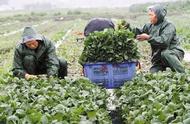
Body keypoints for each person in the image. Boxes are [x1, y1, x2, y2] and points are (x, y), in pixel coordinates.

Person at [134, 4, 185, 73]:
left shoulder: (169, 26)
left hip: (173, 52)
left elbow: (164, 42)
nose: (149, 17)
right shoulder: (149, 26)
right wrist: (127, 28)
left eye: (151, 15)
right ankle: (165, 70)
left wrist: (148, 37)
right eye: (149, 15)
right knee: (152, 73)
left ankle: (182, 74)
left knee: (166, 53)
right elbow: (138, 32)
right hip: (159, 58)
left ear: (158, 15)